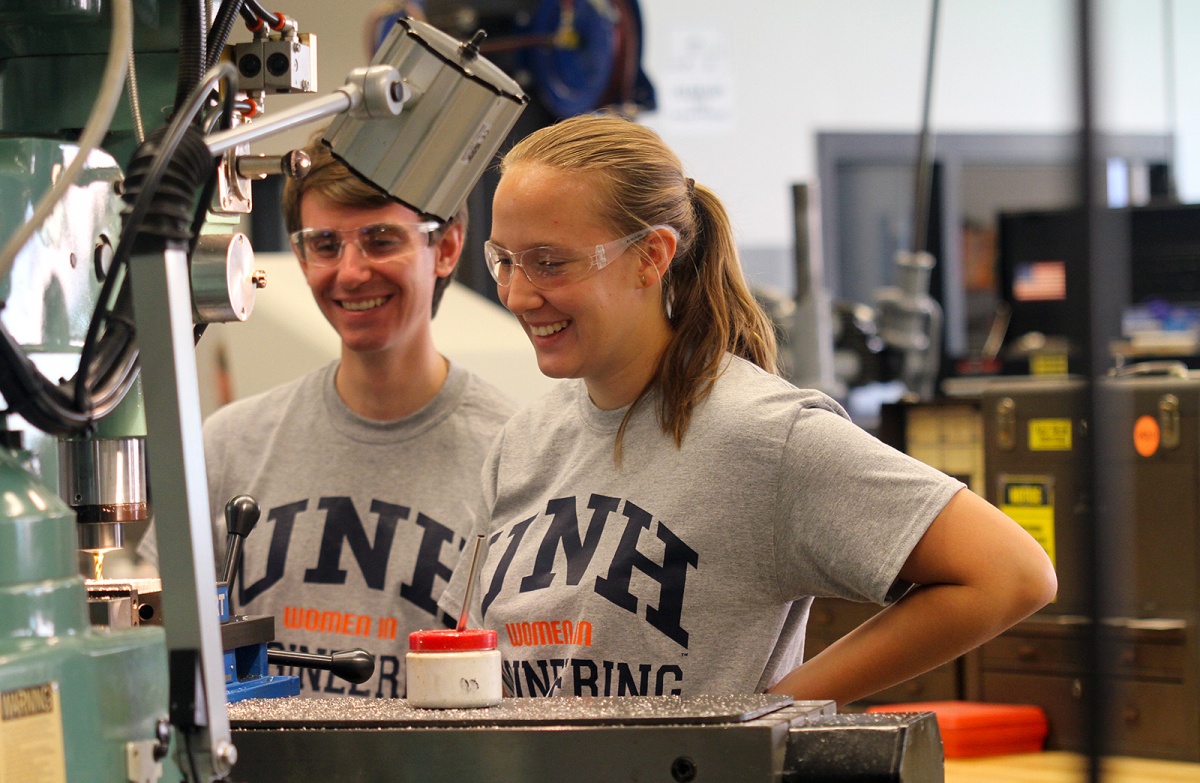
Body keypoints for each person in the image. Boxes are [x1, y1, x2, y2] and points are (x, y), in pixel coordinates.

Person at [440, 113, 1057, 704]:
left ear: (652, 256)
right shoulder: (523, 441)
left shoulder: (762, 436)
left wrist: (764, 715)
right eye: (503, 261)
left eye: (550, 262)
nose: (518, 294)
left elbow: (1010, 573)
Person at [200, 132, 519, 698]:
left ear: (446, 247)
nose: (350, 272)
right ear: (299, 257)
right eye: (324, 244)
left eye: (380, 240)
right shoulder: (230, 445)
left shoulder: (516, 456)